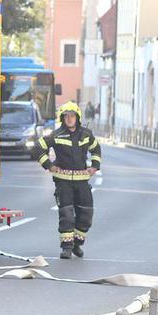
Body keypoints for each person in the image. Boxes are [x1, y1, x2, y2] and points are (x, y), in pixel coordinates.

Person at [35, 101, 101, 259]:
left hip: (82, 181)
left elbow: (96, 149)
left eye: (72, 116)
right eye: (66, 116)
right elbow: (39, 147)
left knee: (86, 214)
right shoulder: (56, 135)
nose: (69, 119)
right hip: (63, 182)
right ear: (62, 118)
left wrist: (94, 166)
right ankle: (66, 247)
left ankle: (77, 244)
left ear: (77, 117)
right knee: (67, 215)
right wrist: (49, 165)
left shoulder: (86, 134)